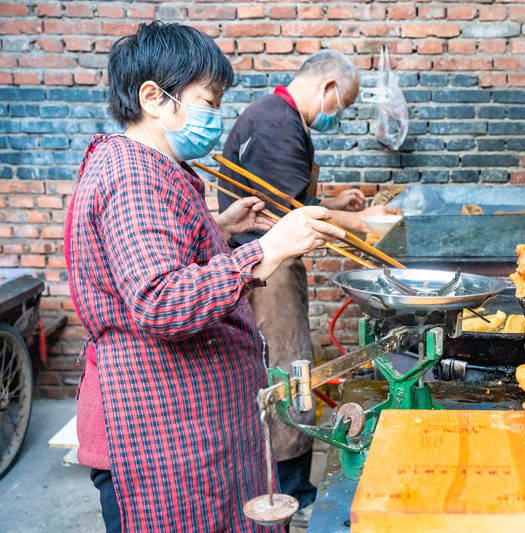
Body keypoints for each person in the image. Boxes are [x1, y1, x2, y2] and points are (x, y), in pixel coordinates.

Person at [67, 22, 344, 532]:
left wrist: (216, 226)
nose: (216, 118)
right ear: (154, 97)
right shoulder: (134, 174)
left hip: (186, 425)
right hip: (154, 432)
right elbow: (159, 300)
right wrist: (270, 247)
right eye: (208, 102)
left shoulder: (152, 169)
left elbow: (143, 254)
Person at [217, 50, 399, 512]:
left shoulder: (276, 117)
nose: (341, 114)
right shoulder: (277, 121)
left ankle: (286, 477)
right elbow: (284, 215)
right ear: (328, 89)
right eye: (345, 104)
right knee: (288, 368)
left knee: (291, 364)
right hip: (267, 271)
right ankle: (289, 487)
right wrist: (362, 224)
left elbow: (287, 195)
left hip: (266, 263)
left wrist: (335, 200)